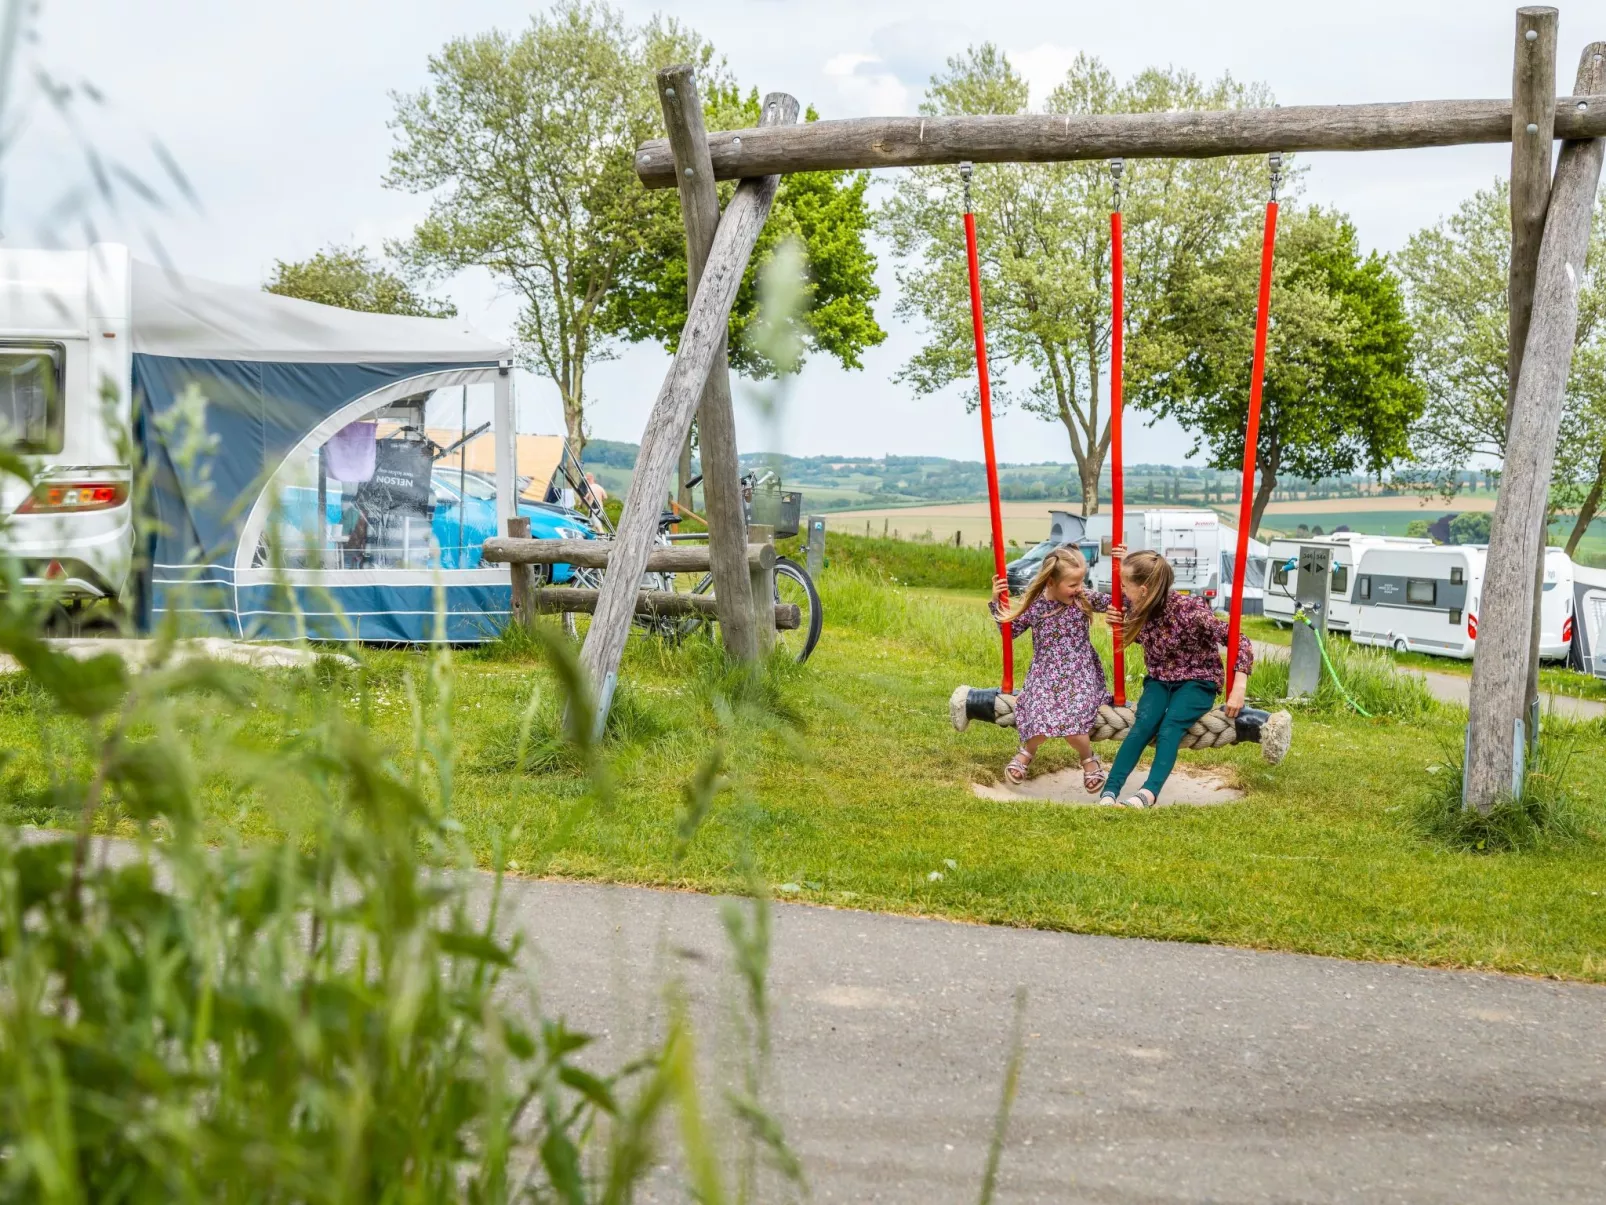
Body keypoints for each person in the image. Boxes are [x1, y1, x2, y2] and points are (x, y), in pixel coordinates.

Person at [1098, 547, 1252, 809]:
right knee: (1143, 725)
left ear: (1144, 590)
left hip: (1198, 681)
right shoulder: (1135, 605)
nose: (1122, 591)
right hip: (1159, 680)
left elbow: (1240, 642)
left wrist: (1239, 686)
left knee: (1170, 728)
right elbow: (1092, 598)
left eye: (1125, 586)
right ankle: (1109, 792)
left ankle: (1147, 793)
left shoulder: (1190, 610)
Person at [989, 546, 1111, 791]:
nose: (1079, 588)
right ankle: (1026, 752)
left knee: (1073, 719)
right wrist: (995, 601)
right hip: (1045, 673)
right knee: (1038, 710)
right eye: (1073, 583)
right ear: (1052, 581)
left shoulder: (1083, 597)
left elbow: (1120, 601)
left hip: (1080, 672)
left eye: (1081, 582)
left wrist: (1121, 563)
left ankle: (1089, 759)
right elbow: (1009, 632)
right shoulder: (1035, 605)